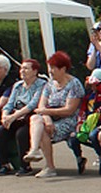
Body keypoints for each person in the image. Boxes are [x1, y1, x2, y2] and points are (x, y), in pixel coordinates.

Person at [23, 51, 84, 179]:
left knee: (42, 128)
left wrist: (46, 113)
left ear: (63, 69)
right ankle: (35, 150)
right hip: (50, 119)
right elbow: (41, 106)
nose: (50, 71)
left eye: (53, 68)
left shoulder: (74, 84)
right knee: (36, 118)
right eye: (49, 67)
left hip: (69, 120)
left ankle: (48, 166)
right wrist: (47, 119)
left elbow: (69, 110)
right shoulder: (49, 84)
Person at [0, 59, 45, 176]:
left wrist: (13, 116)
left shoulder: (41, 85)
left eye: (26, 68)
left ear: (35, 71)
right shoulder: (17, 86)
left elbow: (32, 104)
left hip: (29, 118)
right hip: (14, 117)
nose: (22, 71)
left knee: (21, 134)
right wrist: (5, 116)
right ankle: (4, 165)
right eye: (21, 68)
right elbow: (9, 103)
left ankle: (25, 166)